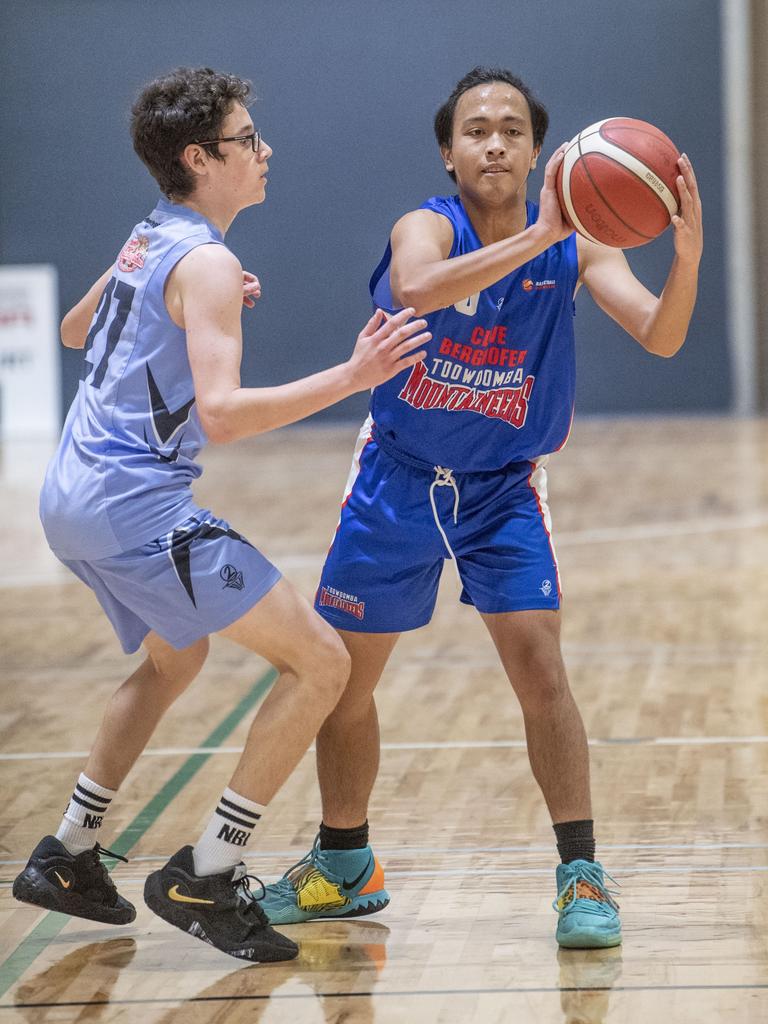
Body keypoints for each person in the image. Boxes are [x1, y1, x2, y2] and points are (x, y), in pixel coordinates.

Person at [260, 66, 703, 949]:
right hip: (398, 475)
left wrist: (685, 259)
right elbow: (419, 288)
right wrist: (541, 231)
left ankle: (581, 874)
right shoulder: (425, 225)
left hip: (503, 488)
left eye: (510, 128)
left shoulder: (579, 246)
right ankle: (344, 863)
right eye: (474, 129)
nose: (493, 141)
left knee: (541, 669)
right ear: (449, 150)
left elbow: (661, 334)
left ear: (540, 149)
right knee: (345, 679)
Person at [11, 66, 430, 964]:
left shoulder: (151, 239)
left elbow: (76, 330)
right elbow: (225, 417)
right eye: (247, 141)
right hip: (133, 507)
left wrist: (186, 305)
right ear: (201, 158)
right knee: (320, 662)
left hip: (69, 497)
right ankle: (207, 870)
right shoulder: (204, 258)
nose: (264, 151)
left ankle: (70, 852)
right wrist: (354, 378)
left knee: (175, 657)